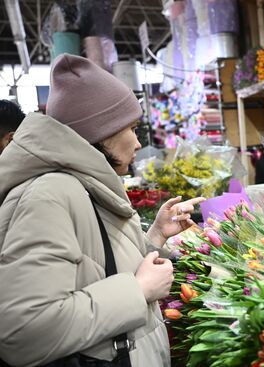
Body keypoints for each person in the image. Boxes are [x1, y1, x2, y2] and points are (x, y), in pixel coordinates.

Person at [0, 54, 204, 366]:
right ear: (101, 132)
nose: (138, 143)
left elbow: (95, 269)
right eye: (132, 128)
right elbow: (25, 330)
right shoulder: (50, 194)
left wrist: (156, 236)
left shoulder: (84, 185)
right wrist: (138, 290)